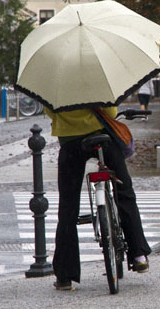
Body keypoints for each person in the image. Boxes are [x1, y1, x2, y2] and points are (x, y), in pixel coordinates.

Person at [44, 104, 151, 290]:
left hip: (70, 143)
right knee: (124, 191)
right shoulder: (94, 78)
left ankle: (64, 276)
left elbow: (50, 111)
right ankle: (138, 254)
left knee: (68, 207)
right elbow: (111, 112)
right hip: (101, 137)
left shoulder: (56, 83)